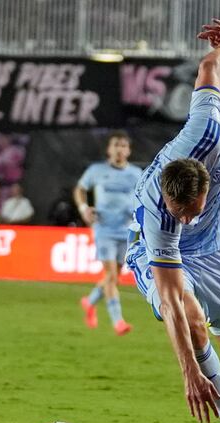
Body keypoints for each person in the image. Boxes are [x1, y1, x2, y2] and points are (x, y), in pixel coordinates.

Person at [124, 20, 220, 423]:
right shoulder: (158, 215)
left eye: (192, 210)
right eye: (179, 211)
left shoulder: (209, 130)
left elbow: (209, 70)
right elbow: (170, 300)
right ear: (168, 199)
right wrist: (189, 372)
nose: (185, 217)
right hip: (155, 252)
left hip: (214, 246)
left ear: (208, 182)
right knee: (190, 315)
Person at [75, 131, 143, 336]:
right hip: (104, 228)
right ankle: (118, 321)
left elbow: (143, 198)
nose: (120, 149)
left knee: (115, 275)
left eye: (123, 145)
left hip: (127, 230)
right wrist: (83, 208)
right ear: (109, 149)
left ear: (128, 150)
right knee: (112, 275)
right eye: (116, 145)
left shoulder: (136, 173)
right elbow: (80, 189)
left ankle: (90, 302)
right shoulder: (96, 170)